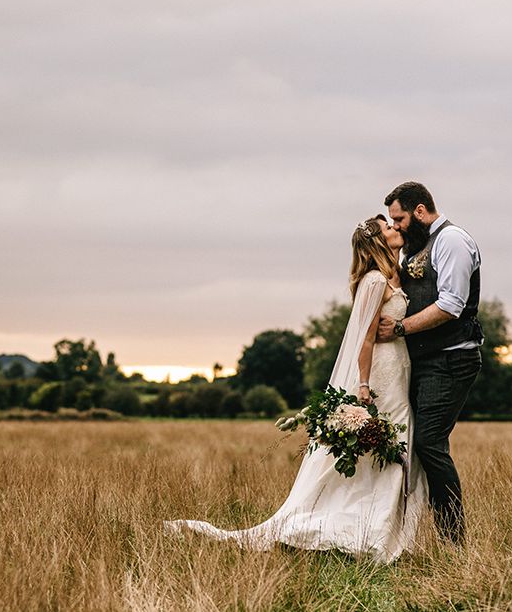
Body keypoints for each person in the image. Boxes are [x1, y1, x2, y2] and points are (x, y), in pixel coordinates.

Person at [164, 216, 428, 563]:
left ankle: (393, 524)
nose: (396, 229)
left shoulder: (393, 275)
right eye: (389, 228)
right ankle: (368, 525)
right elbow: (364, 340)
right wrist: (363, 385)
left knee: (396, 443)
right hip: (381, 375)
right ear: (378, 242)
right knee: (390, 442)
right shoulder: (376, 280)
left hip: (399, 369)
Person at [378, 182, 482, 544]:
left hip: (452, 358)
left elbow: (452, 305)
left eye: (401, 218)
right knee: (414, 443)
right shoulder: (416, 248)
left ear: (420, 211)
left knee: (429, 443)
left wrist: (401, 328)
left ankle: (455, 541)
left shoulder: (451, 241)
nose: (398, 226)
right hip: (423, 361)